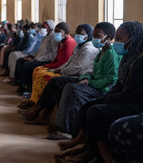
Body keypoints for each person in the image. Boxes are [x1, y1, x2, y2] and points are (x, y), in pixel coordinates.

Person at [57, 21, 143, 163]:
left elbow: (132, 93)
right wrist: (110, 97)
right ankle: (89, 149)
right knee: (87, 108)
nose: (117, 42)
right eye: (117, 38)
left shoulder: (140, 61)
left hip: (136, 104)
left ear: (135, 39)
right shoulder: (129, 56)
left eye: (121, 39)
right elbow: (120, 84)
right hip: (123, 98)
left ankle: (103, 156)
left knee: (96, 111)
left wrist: (110, 98)